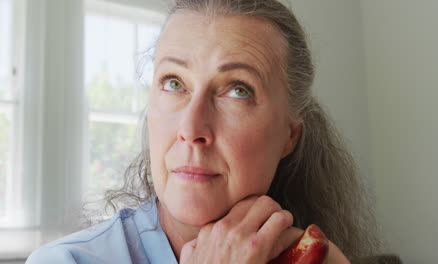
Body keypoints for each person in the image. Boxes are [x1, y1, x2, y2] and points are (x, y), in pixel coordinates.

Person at [27, 0, 379, 263]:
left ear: (290, 136)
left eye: (238, 90)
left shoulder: (315, 256)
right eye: (174, 82)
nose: (191, 128)